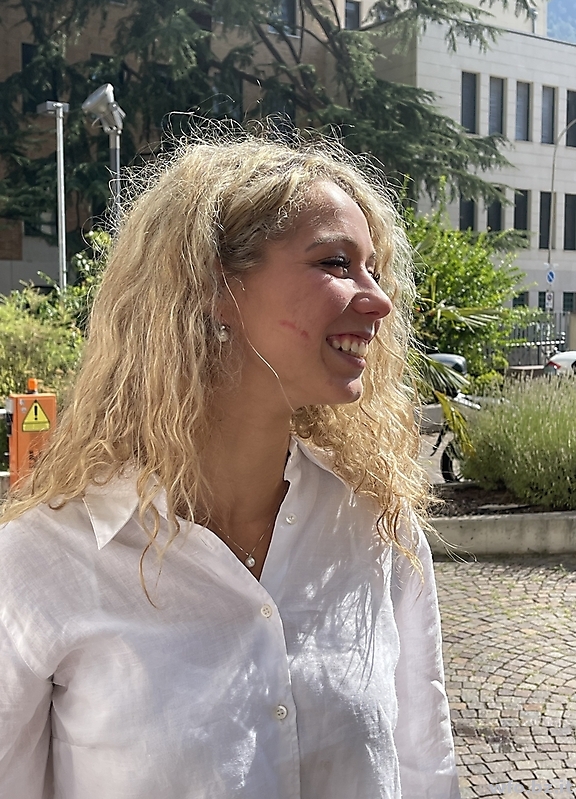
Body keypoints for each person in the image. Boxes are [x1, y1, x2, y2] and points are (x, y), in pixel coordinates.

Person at [0, 131, 460, 799]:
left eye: (374, 270)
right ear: (215, 285)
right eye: (336, 262)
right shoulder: (41, 563)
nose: (378, 300)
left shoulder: (375, 528)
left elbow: (425, 769)